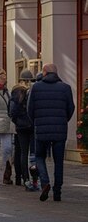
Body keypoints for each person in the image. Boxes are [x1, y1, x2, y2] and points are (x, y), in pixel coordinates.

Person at [27, 62, 75, 202]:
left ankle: (45, 182)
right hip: (60, 130)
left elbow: (30, 109)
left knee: (40, 156)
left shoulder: (36, 87)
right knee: (58, 161)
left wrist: (36, 122)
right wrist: (63, 120)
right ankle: (57, 191)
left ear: (44, 72)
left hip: (41, 129)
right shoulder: (66, 88)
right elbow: (70, 108)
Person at [10, 69, 37, 191]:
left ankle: (25, 179)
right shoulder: (33, 90)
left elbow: (12, 111)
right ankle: (35, 179)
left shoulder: (16, 91)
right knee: (34, 153)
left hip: (21, 127)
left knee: (23, 153)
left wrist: (17, 121)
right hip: (32, 125)